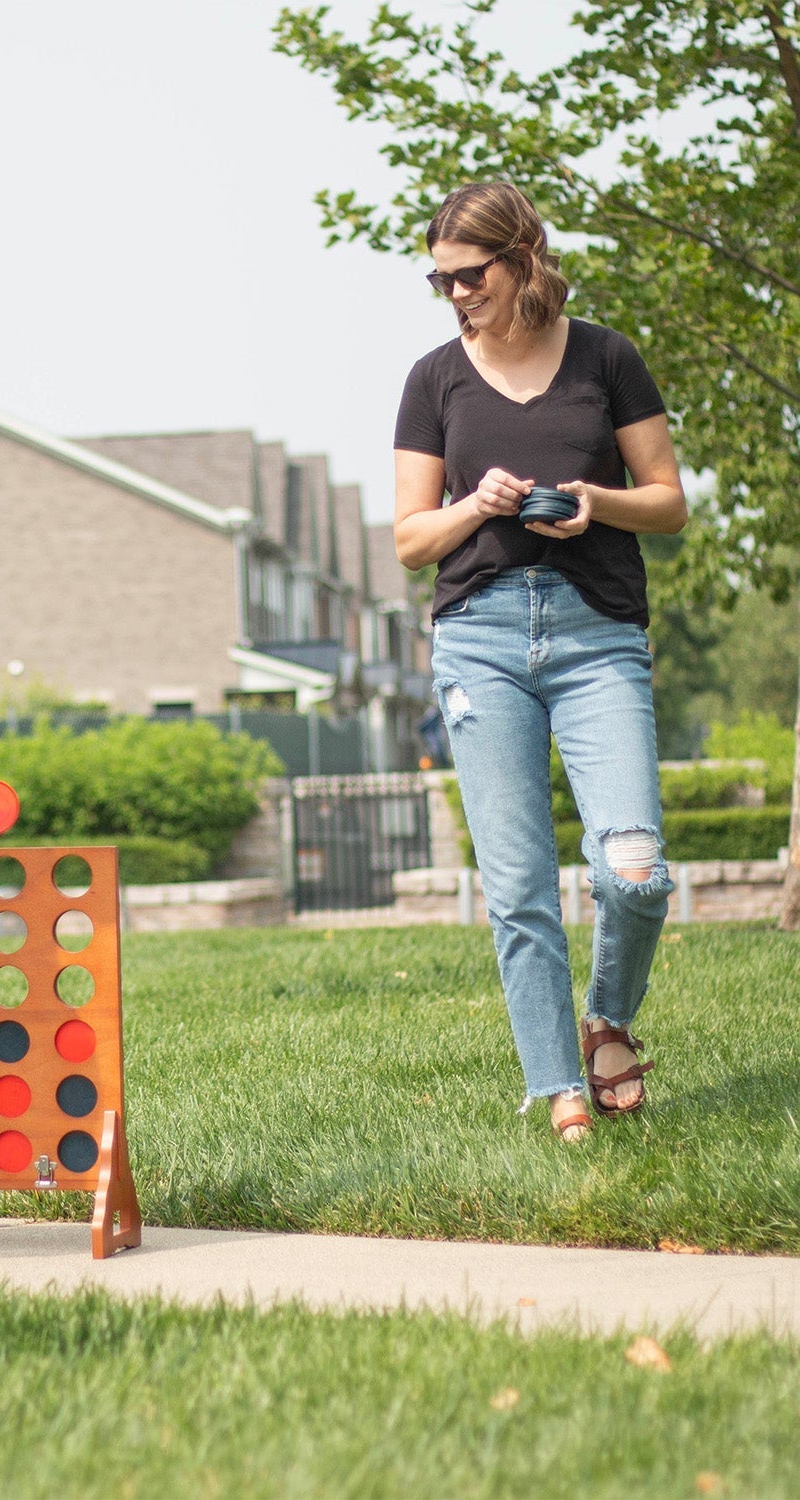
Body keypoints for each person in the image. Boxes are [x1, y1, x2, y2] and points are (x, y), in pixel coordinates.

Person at [393, 183, 687, 1142]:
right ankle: (558, 1081)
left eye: (468, 275)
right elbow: (409, 540)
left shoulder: (607, 357)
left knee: (634, 870)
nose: (454, 294)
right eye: (438, 280)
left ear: (522, 258)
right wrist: (479, 505)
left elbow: (670, 501)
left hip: (597, 630)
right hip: (480, 637)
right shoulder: (434, 379)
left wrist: (598, 501)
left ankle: (607, 1018)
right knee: (517, 887)